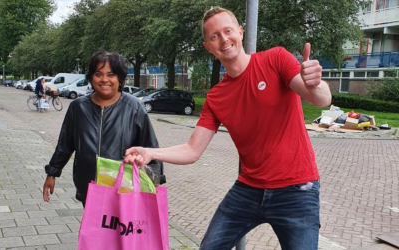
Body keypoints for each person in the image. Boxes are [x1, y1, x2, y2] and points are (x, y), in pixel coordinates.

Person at [125, 6, 331, 250]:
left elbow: (321, 99)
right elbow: (192, 150)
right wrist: (151, 153)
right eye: (214, 36)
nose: (223, 39)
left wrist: (315, 84)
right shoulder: (216, 97)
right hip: (248, 191)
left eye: (227, 31)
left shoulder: (275, 59)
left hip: (297, 190)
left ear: (240, 32)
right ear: (208, 47)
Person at [42, 51, 164, 207]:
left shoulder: (134, 107)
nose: (104, 79)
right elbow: (65, 144)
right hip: (89, 187)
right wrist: (52, 173)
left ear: (119, 78)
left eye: (111, 74)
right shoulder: (78, 107)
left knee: (122, 230)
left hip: (124, 189)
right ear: (91, 77)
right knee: (93, 230)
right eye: (98, 74)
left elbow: (150, 146)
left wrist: (156, 181)